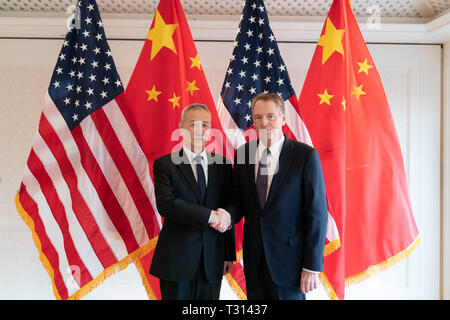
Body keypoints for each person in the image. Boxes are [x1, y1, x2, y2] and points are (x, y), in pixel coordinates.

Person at [226, 92, 328, 300]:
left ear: (283, 118)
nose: (264, 123)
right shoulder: (243, 154)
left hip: (291, 264)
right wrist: (225, 216)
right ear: (252, 120)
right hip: (254, 262)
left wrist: (312, 265)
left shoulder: (305, 156)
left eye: (270, 116)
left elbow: (317, 213)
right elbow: (238, 203)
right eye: (258, 117)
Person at [150, 103, 235, 300]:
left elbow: (229, 206)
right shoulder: (165, 164)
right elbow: (167, 204)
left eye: (205, 125)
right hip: (177, 260)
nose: (199, 130)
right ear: (181, 127)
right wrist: (209, 216)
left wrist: (228, 253)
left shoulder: (222, 164)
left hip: (213, 260)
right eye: (193, 124)